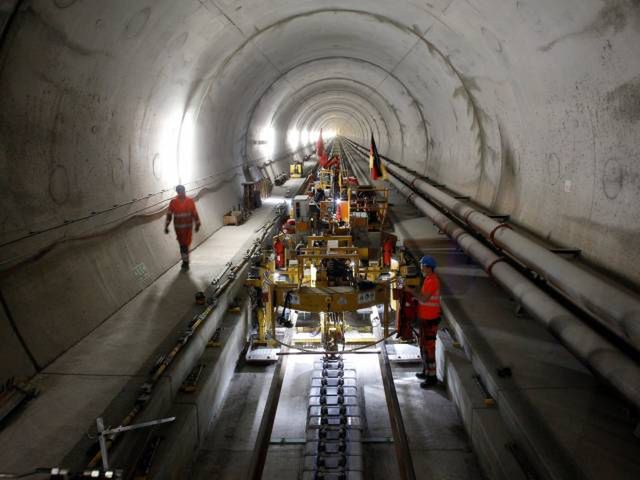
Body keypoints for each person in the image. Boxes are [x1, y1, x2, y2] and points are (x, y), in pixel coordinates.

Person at [412, 255, 441, 387]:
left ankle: (432, 377)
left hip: (430, 320)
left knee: (429, 349)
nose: (421, 268)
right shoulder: (428, 279)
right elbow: (423, 298)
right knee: (423, 345)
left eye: (423, 265)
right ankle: (426, 371)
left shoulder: (432, 281)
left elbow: (424, 299)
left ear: (429, 267)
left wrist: (410, 291)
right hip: (425, 318)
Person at [165, 185, 201, 270]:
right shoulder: (173, 202)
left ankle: (185, 260)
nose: (182, 193)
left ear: (184, 190)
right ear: (177, 192)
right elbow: (169, 215)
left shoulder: (189, 201)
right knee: (183, 245)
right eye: (180, 191)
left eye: (183, 191)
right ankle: (185, 261)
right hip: (179, 229)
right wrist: (166, 226)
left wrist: (197, 224)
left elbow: (194, 213)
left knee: (186, 245)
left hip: (188, 228)